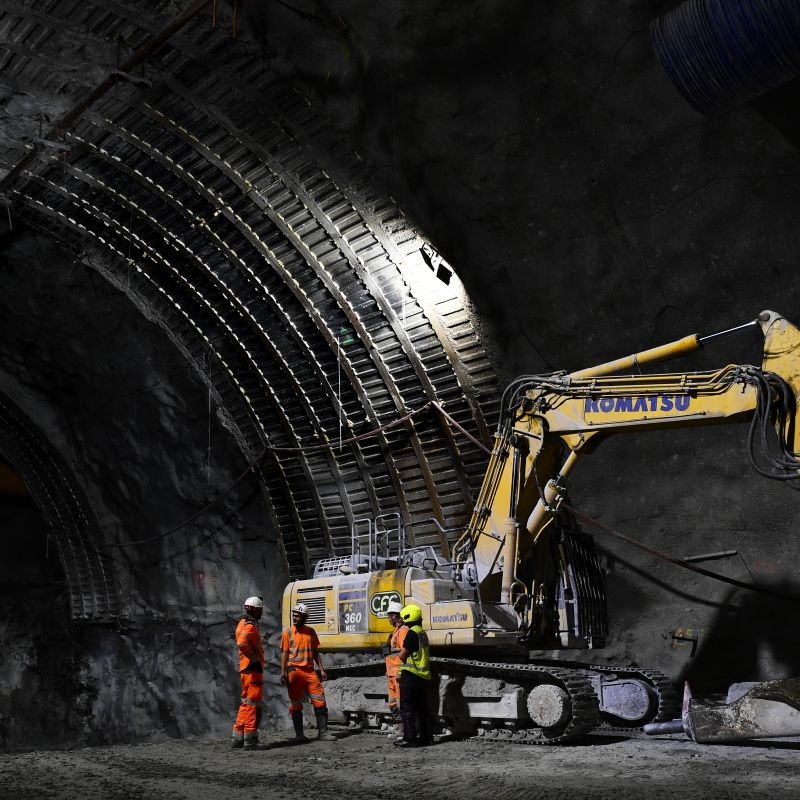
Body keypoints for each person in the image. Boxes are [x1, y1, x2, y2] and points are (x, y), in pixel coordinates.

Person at [280, 602, 335, 742]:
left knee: (320, 701)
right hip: (294, 671)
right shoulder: (287, 633)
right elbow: (285, 654)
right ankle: (299, 735)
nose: (295, 618)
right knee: (296, 703)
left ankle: (323, 733)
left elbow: (315, 652)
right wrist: (283, 672)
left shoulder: (311, 632)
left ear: (305, 617)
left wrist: (321, 670)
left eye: (297, 616)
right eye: (294, 615)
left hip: (310, 671)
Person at [231, 596, 268, 751]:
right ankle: (250, 741)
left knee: (246, 703)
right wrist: (252, 656)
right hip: (252, 670)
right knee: (253, 705)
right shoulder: (250, 626)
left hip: (245, 669)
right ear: (257, 610)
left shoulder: (241, 623)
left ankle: (237, 738)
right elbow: (241, 643)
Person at [394, 604, 433, 748]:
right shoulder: (422, 632)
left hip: (410, 676)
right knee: (422, 709)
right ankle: (427, 738)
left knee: (407, 708)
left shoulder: (411, 633)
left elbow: (403, 655)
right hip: (422, 676)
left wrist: (398, 652)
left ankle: (409, 739)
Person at [382, 600, 408, 725]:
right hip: (392, 673)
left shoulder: (403, 630)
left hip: (398, 673)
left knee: (400, 702)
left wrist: (400, 671)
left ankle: (404, 731)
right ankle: (400, 730)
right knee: (393, 702)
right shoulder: (396, 631)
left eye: (389, 616)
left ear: (394, 616)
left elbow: (404, 652)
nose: (388, 619)